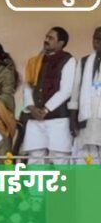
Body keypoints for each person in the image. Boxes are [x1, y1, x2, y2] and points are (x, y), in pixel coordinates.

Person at [21, 27, 76, 165]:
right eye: (46, 37)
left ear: (61, 43)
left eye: (51, 38)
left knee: (59, 159)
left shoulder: (68, 60)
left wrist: (46, 109)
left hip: (58, 119)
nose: (46, 40)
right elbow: (27, 85)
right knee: (35, 159)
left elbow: (66, 90)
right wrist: (32, 107)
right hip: (35, 118)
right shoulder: (35, 61)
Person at [72, 26, 101, 162]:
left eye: (100, 39)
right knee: (87, 157)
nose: (97, 42)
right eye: (95, 39)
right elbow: (75, 92)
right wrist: (73, 119)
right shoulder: (84, 62)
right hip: (87, 118)